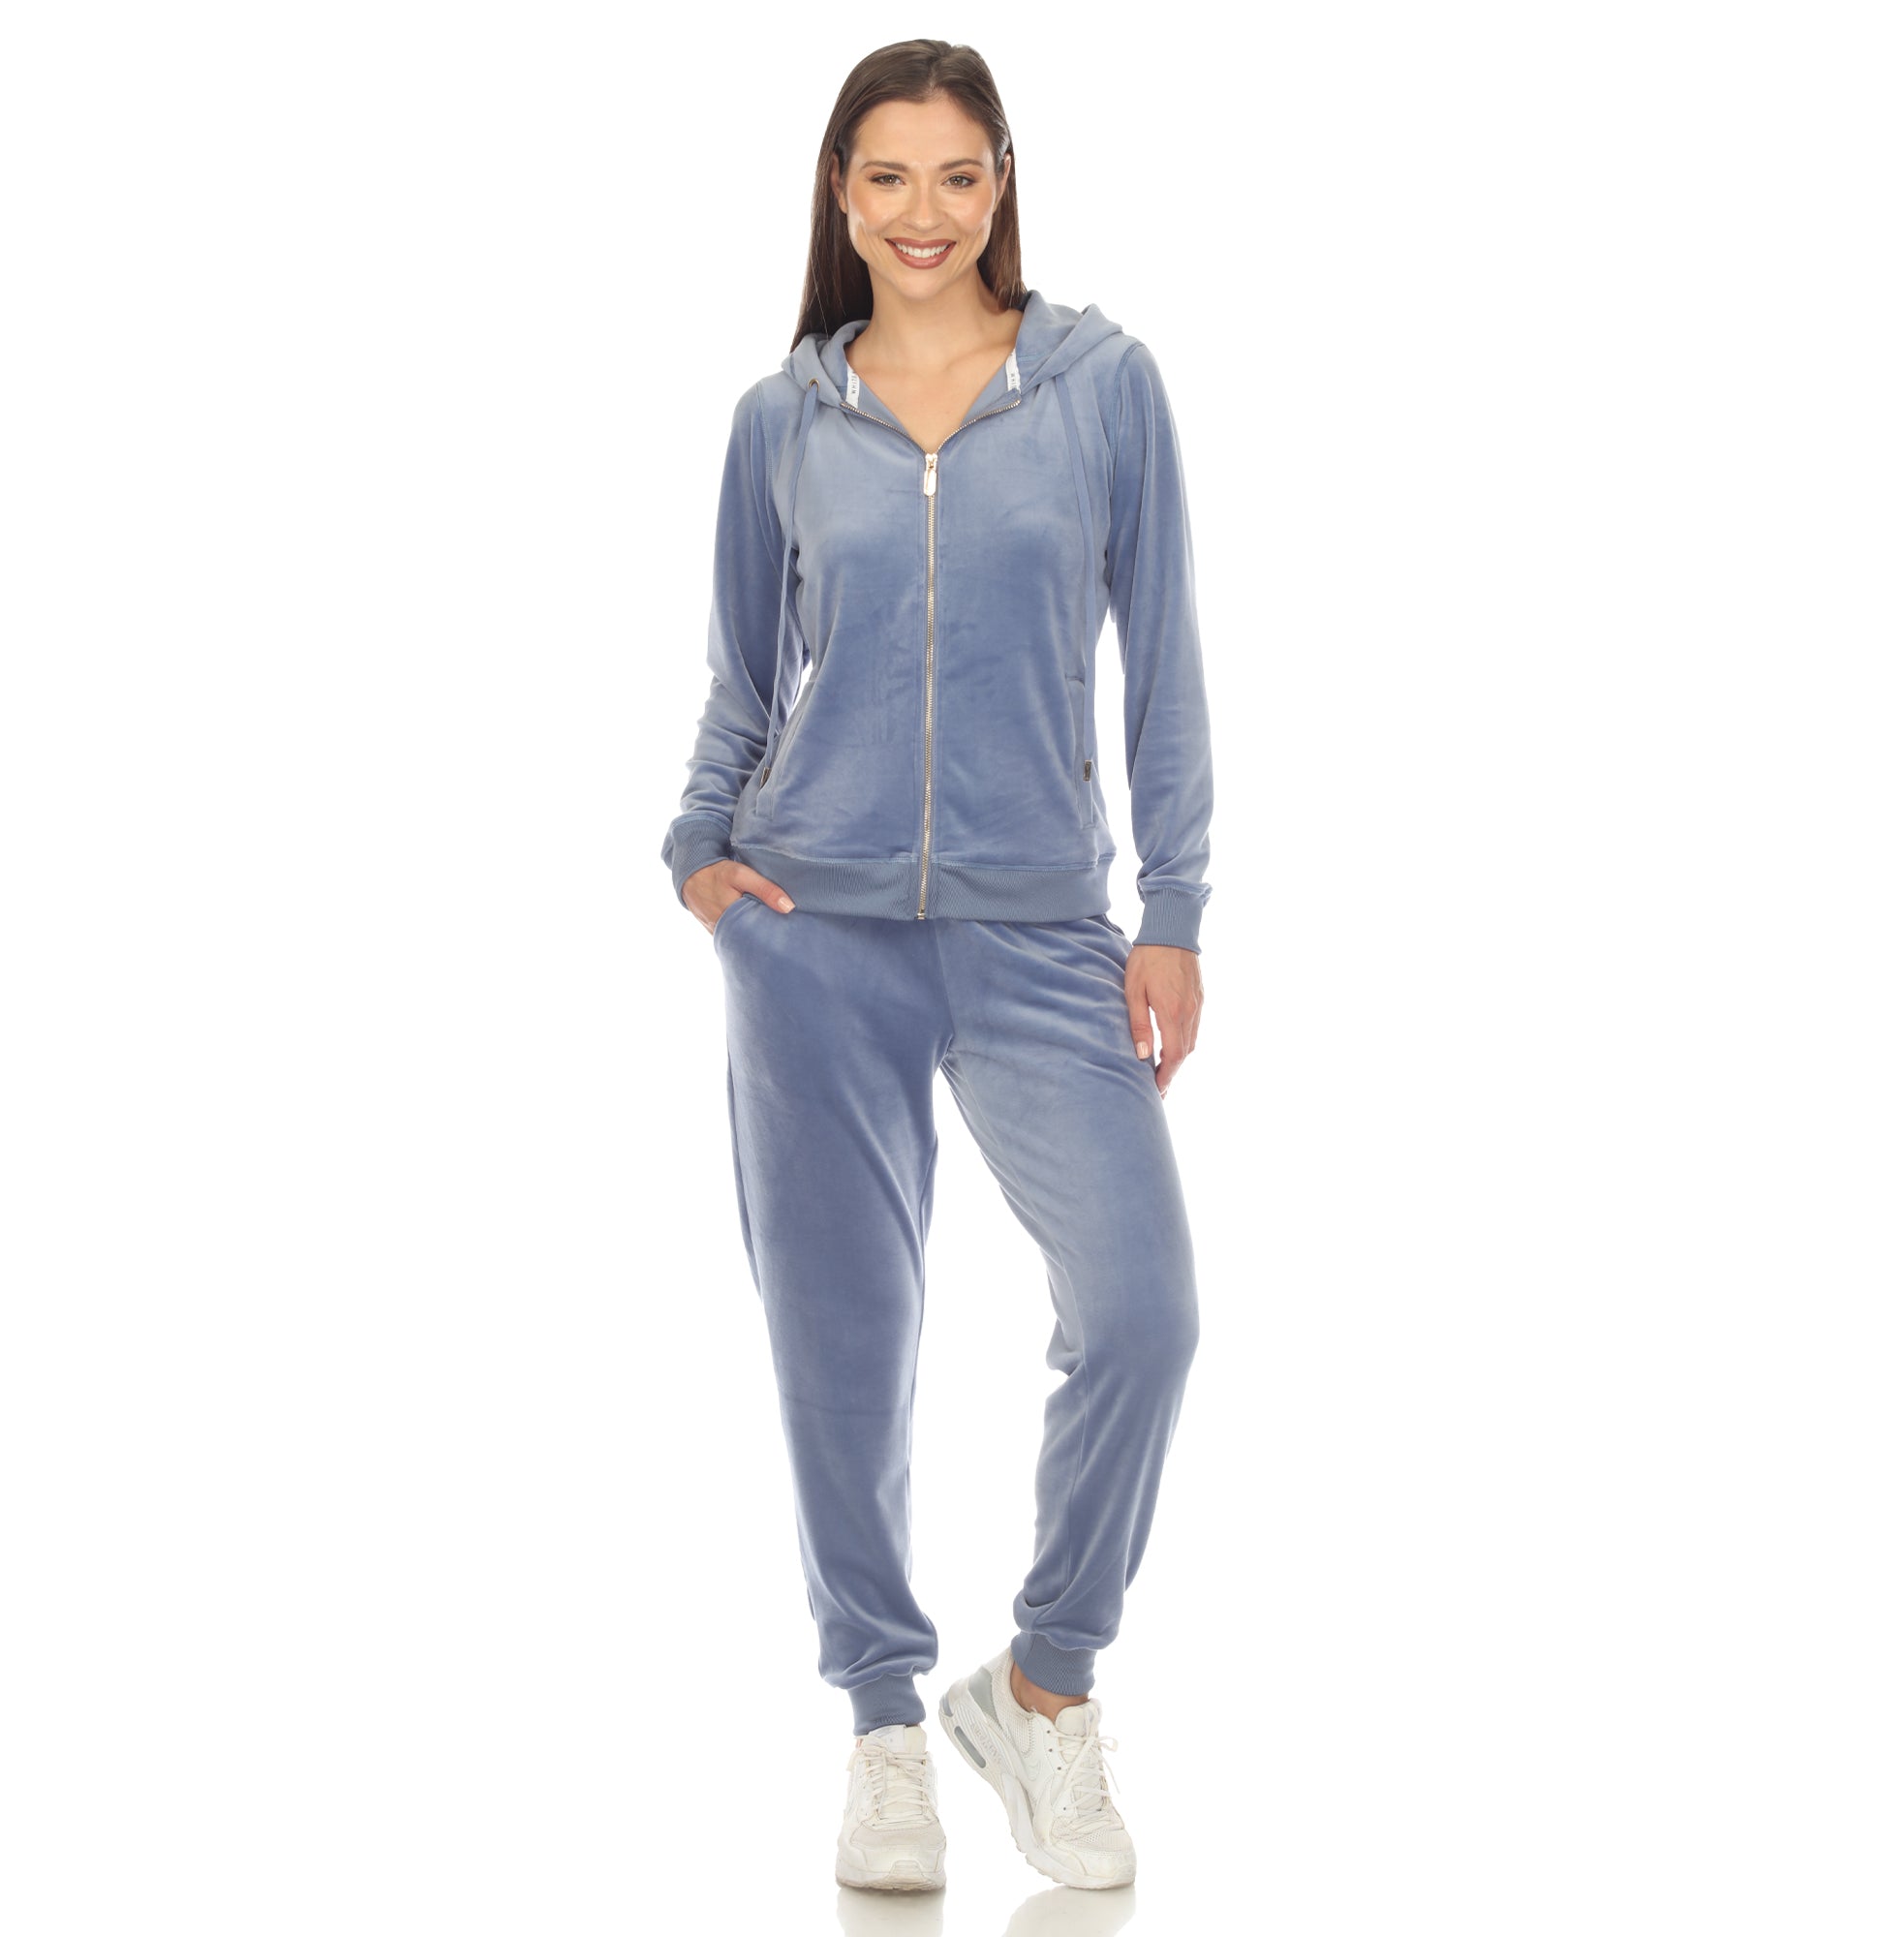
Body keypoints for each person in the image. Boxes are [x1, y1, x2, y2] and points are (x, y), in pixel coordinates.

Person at [660, 39, 1213, 1894]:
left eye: (958, 174)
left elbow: (1167, 665)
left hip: (1044, 925)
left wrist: (1173, 908)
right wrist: (701, 854)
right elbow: (743, 677)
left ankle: (1041, 1690)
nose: (923, 213)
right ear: (841, 191)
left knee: (1142, 1312)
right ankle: (885, 1723)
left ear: (1003, 183)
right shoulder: (782, 420)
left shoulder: (1100, 391)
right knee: (843, 1344)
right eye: (887, 177)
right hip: (811, 935)